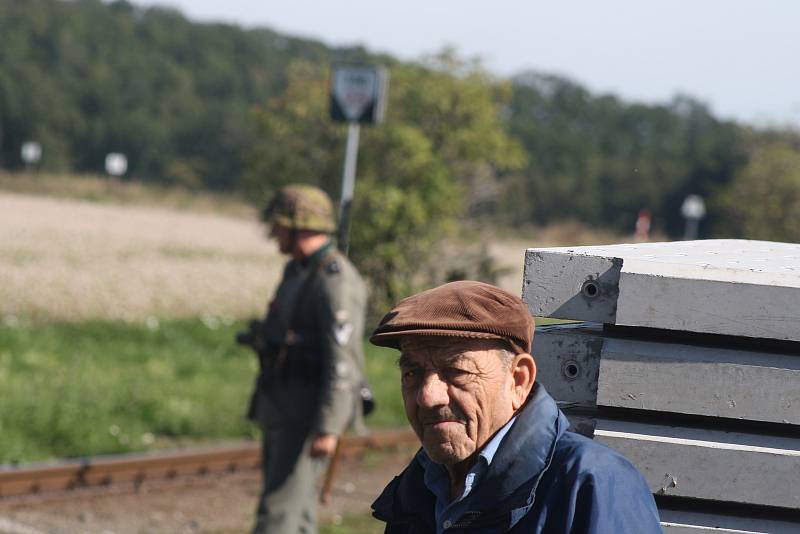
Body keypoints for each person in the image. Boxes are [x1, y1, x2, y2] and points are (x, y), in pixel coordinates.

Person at [369, 280, 662, 533]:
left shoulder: (591, 484)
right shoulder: (423, 482)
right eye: (412, 373)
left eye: (456, 372)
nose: (427, 397)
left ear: (518, 381)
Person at [241, 184, 368, 533]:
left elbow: (342, 358)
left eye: (279, 226)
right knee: (298, 515)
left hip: (307, 413)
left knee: (278, 514)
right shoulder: (297, 271)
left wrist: (329, 425)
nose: (273, 234)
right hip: (283, 405)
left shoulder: (334, 280)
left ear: (300, 227)